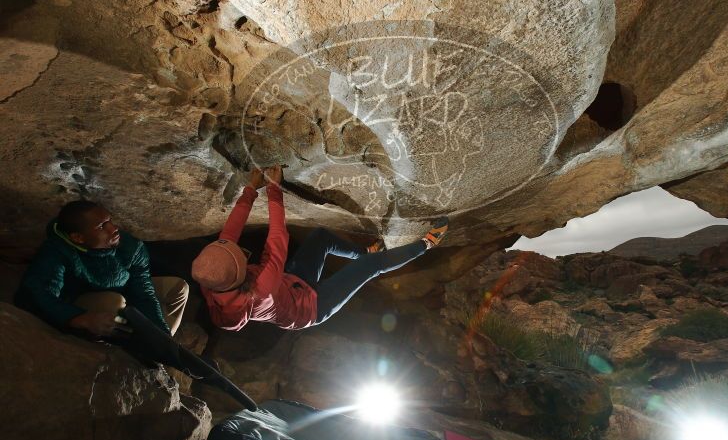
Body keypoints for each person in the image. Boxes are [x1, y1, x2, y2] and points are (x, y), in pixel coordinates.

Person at [191, 165, 448, 331]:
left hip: (291, 283)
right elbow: (278, 237)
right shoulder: (261, 289)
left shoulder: (211, 277)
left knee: (321, 238)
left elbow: (230, 232)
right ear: (238, 274)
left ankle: (364, 252)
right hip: (312, 308)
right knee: (369, 267)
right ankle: (426, 244)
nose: (234, 246)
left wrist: (250, 190)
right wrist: (273, 188)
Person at [15, 200, 188, 337]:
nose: (113, 229)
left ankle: (159, 345)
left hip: (124, 294)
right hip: (80, 301)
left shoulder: (131, 247)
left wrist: (161, 333)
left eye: (110, 221)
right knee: (113, 302)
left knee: (178, 288)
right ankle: (121, 340)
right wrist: (78, 318)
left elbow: (143, 291)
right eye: (101, 226)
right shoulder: (57, 251)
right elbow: (38, 294)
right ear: (78, 238)